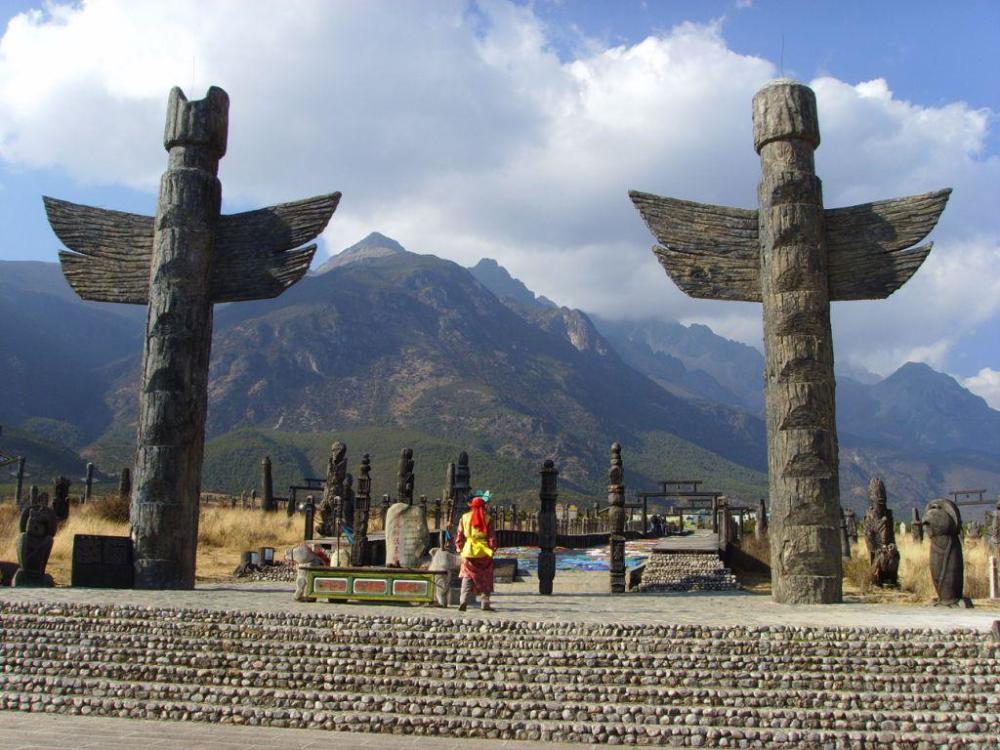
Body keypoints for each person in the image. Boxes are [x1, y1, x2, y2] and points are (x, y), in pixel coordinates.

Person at [455, 494, 497, 612]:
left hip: (468, 551)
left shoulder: (464, 518)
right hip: (483, 551)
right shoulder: (488, 518)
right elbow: (491, 537)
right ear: (483, 506)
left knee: (467, 577)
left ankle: (463, 600)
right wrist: (492, 549)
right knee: (486, 577)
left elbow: (459, 535)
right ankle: (485, 603)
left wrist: (459, 548)